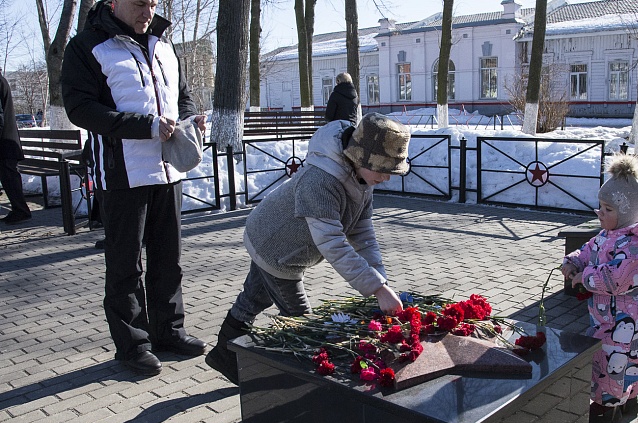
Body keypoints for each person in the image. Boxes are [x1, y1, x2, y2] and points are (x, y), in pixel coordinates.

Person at [205, 112, 409, 385]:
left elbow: (363, 234)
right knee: (301, 320)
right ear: (361, 158)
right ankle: (298, 385)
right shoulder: (321, 182)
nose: (386, 178)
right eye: (384, 169)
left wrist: (380, 282)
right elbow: (333, 244)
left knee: (252, 300)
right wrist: (377, 289)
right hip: (277, 251)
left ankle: (223, 356)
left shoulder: (362, 180)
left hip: (279, 245)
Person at [61, 0, 207, 376]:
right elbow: (81, 109)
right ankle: (132, 344)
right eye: (140, 4)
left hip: (168, 171)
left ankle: (169, 332)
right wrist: (145, 126)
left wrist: (190, 121)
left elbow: (182, 94)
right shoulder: (87, 46)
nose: (148, 11)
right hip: (122, 173)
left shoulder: (163, 42)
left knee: (168, 258)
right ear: (114, 2)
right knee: (125, 265)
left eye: (154, 3)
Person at [560, 154, 638, 423]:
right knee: (617, 356)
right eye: (600, 206)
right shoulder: (607, 235)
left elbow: (615, 279)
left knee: (618, 358)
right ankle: (628, 400)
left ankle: (607, 408)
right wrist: (573, 261)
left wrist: (584, 277)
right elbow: (589, 251)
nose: (600, 213)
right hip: (608, 313)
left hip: (631, 314)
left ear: (628, 213)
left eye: (608, 209)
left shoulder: (637, 245)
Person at [0, 73, 32, 225]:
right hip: (7, 140)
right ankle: (19, 210)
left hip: (4, 141)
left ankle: (21, 211)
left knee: (10, 177)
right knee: (9, 177)